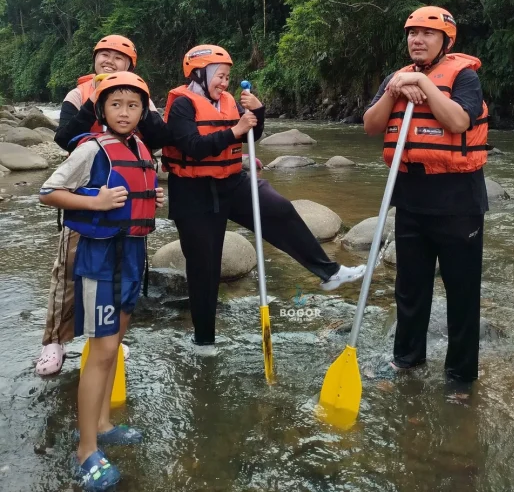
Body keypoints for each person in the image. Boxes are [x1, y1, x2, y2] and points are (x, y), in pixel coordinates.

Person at [162, 44, 366, 353]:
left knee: (280, 209)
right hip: (194, 193)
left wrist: (257, 112)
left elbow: (250, 137)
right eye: (219, 76)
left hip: (232, 181)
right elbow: (192, 146)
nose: (224, 83)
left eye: (227, 77)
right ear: (199, 75)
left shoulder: (229, 101)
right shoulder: (182, 106)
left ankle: (329, 272)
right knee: (205, 268)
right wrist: (236, 130)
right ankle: (204, 340)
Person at [40, 72, 162, 491]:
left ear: (143, 111)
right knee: (102, 349)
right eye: (115, 104)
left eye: (133, 105)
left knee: (114, 348)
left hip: (132, 256)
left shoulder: (143, 149)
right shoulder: (93, 148)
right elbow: (48, 191)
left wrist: (152, 198)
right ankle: (86, 449)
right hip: (100, 258)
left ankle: (104, 422)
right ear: (102, 110)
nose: (124, 112)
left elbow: (136, 193)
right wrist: (95, 200)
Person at [363, 7, 488, 384]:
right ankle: (407, 359)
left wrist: (428, 87)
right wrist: (393, 89)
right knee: (411, 288)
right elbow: (371, 126)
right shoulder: (397, 77)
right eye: (412, 33)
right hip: (412, 200)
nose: (416, 39)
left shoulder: (464, 77)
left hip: (457, 203)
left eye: (426, 34)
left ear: (446, 41)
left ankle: (461, 376)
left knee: (462, 294)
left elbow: (458, 121)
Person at [36, 34, 171, 376]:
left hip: (125, 203)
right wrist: (95, 99)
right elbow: (64, 138)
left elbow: (157, 138)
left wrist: (144, 103)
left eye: (118, 57)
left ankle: (106, 337)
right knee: (68, 272)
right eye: (104, 55)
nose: (110, 61)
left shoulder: (138, 96)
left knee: (121, 274)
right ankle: (54, 341)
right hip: (85, 194)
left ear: (130, 66)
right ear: (95, 59)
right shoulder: (78, 94)